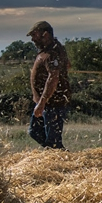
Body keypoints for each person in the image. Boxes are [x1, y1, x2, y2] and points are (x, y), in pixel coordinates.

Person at [27, 21, 72, 150]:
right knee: (34, 131)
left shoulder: (52, 52)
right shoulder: (51, 50)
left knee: (53, 141)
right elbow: (68, 65)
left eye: (35, 35)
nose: (32, 39)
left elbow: (53, 78)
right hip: (46, 102)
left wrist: (42, 102)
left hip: (53, 102)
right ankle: (55, 152)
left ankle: (58, 155)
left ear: (45, 34)